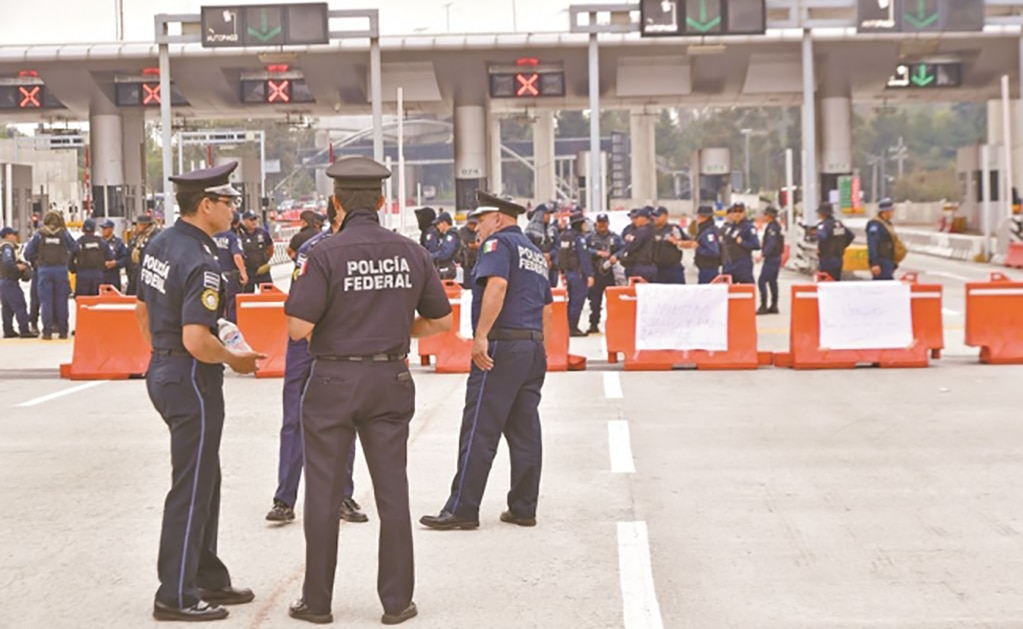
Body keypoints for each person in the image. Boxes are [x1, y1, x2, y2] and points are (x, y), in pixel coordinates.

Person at [284, 155, 452, 626]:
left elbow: (298, 327)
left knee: (322, 492)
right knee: (392, 491)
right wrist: (397, 328)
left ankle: (317, 603)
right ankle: (397, 602)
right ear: (381, 201)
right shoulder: (412, 252)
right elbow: (441, 321)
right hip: (390, 378)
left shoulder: (322, 254)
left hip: (334, 380)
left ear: (335, 203)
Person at [134, 161, 264, 622]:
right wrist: (237, 360)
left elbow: (142, 310)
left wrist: (163, 355)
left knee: (206, 477)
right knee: (191, 486)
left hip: (167, 369)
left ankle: (207, 573)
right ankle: (176, 594)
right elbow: (197, 339)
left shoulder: (160, 242)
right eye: (227, 201)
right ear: (206, 205)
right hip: (191, 376)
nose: (233, 209)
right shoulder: (203, 262)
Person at [421, 190, 553, 532]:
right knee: (525, 431)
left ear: (499, 218)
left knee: (479, 426)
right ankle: (523, 507)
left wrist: (481, 337)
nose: (475, 229)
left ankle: (462, 508)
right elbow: (548, 308)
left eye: (479, 222)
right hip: (531, 348)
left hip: (503, 347)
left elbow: (496, 286)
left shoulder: (499, 246)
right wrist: (541, 348)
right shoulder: (535, 253)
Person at [267, 201, 368, 527]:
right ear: (339, 212)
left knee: (344, 421)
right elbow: (299, 303)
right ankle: (285, 498)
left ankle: (342, 495)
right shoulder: (313, 249)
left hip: (343, 345)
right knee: (295, 421)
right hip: (306, 344)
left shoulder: (362, 249)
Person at [24, 210, 78, 340]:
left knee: (46, 302)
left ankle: (47, 331)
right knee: (61, 301)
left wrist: (37, 260)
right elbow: (75, 248)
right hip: (60, 270)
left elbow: (27, 253)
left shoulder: (39, 235)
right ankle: (63, 331)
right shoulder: (63, 234)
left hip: (44, 270)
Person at [585, 213, 624, 333]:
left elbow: (623, 249)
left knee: (613, 300)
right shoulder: (589, 237)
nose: (602, 225)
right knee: (595, 301)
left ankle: (614, 324)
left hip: (610, 272)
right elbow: (583, 249)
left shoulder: (615, 237)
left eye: (604, 223)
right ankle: (593, 324)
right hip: (595, 271)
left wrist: (616, 256)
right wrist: (596, 253)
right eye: (600, 223)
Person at [557, 212, 594, 336]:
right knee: (577, 301)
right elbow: (583, 258)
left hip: (568, 272)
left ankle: (567, 326)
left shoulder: (564, 236)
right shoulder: (579, 238)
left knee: (571, 301)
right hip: (579, 274)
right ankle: (573, 327)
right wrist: (589, 274)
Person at [0, 227, 35, 338]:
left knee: (7, 307)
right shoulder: (7, 247)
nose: (15, 237)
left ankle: (8, 330)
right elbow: (7, 262)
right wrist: (18, 267)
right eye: (13, 234)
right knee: (19, 305)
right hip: (9, 281)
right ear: (7, 236)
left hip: (3, 281)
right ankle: (24, 330)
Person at [213, 216, 248, 323]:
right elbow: (237, 256)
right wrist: (243, 273)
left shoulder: (211, 236)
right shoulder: (232, 237)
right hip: (229, 277)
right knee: (232, 306)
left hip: (213, 275)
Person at [70, 218, 114, 297]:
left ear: (83, 230)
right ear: (94, 230)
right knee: (97, 303)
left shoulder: (79, 242)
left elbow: (70, 259)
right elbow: (110, 257)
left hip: (82, 276)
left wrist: (74, 270)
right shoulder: (101, 242)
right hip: (98, 275)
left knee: (82, 302)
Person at [721, 203, 760, 284]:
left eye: (740, 211)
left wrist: (743, 242)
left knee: (747, 288)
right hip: (730, 262)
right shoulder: (730, 228)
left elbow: (756, 245)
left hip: (743, 263)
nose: (737, 214)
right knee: (727, 289)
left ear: (744, 213)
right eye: (735, 211)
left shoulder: (749, 227)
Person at [816, 202, 854, 281]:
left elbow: (822, 237)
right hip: (838, 258)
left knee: (826, 283)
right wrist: (842, 246)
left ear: (823, 214)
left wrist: (820, 248)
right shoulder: (838, 224)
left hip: (826, 259)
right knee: (836, 281)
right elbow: (851, 236)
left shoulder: (823, 225)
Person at [652, 206, 689, 284]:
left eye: (658, 216)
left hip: (673, 268)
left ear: (665, 216)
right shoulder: (651, 230)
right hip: (657, 269)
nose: (655, 218)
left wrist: (676, 242)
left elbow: (690, 243)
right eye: (654, 216)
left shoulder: (673, 229)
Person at [757, 207, 784, 314]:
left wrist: (763, 255)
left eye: (765, 214)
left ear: (769, 216)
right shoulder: (775, 226)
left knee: (762, 281)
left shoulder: (772, 228)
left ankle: (764, 305)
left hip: (772, 258)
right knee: (772, 281)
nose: (763, 217)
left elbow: (771, 243)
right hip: (775, 257)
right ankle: (774, 305)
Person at [867, 198, 902, 281]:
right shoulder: (875, 225)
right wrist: (874, 263)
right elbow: (872, 245)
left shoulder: (887, 224)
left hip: (888, 261)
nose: (892, 213)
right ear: (885, 212)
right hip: (881, 262)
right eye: (891, 211)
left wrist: (894, 263)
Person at [239, 211, 274, 292]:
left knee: (268, 294)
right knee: (247, 297)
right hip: (248, 271)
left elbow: (270, 248)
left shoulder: (263, 233)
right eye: (251, 219)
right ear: (244, 221)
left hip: (262, 270)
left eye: (255, 219)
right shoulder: (240, 235)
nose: (254, 222)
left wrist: (266, 260)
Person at [620, 207, 657, 282]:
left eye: (637, 217)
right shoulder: (654, 229)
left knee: (638, 290)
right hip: (648, 265)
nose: (635, 220)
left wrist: (628, 243)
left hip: (641, 266)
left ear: (644, 218)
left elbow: (630, 246)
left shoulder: (642, 231)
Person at [126, 215, 160, 295]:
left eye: (139, 224)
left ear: (145, 225)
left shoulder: (155, 237)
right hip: (134, 272)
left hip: (146, 272)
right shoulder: (137, 238)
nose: (136, 227)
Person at [693, 205, 723, 284]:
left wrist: (698, 248)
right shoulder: (705, 230)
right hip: (705, 268)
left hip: (709, 269)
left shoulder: (708, 232)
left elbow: (713, 251)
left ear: (704, 217)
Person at [430, 212, 460, 280]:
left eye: (439, 224)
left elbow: (445, 254)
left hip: (448, 271)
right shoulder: (448, 235)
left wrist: (430, 256)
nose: (438, 227)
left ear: (444, 223)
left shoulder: (451, 236)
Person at [100, 219, 129, 290]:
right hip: (100, 275)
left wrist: (116, 263)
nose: (103, 230)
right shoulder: (98, 242)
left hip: (112, 275)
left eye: (105, 228)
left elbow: (125, 258)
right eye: (103, 228)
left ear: (112, 229)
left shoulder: (118, 243)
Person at [457, 215, 481, 289]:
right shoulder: (462, 232)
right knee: (467, 287)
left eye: (475, 224)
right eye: (471, 224)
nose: (473, 226)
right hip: (466, 263)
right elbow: (470, 244)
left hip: (478, 263)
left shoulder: (478, 230)